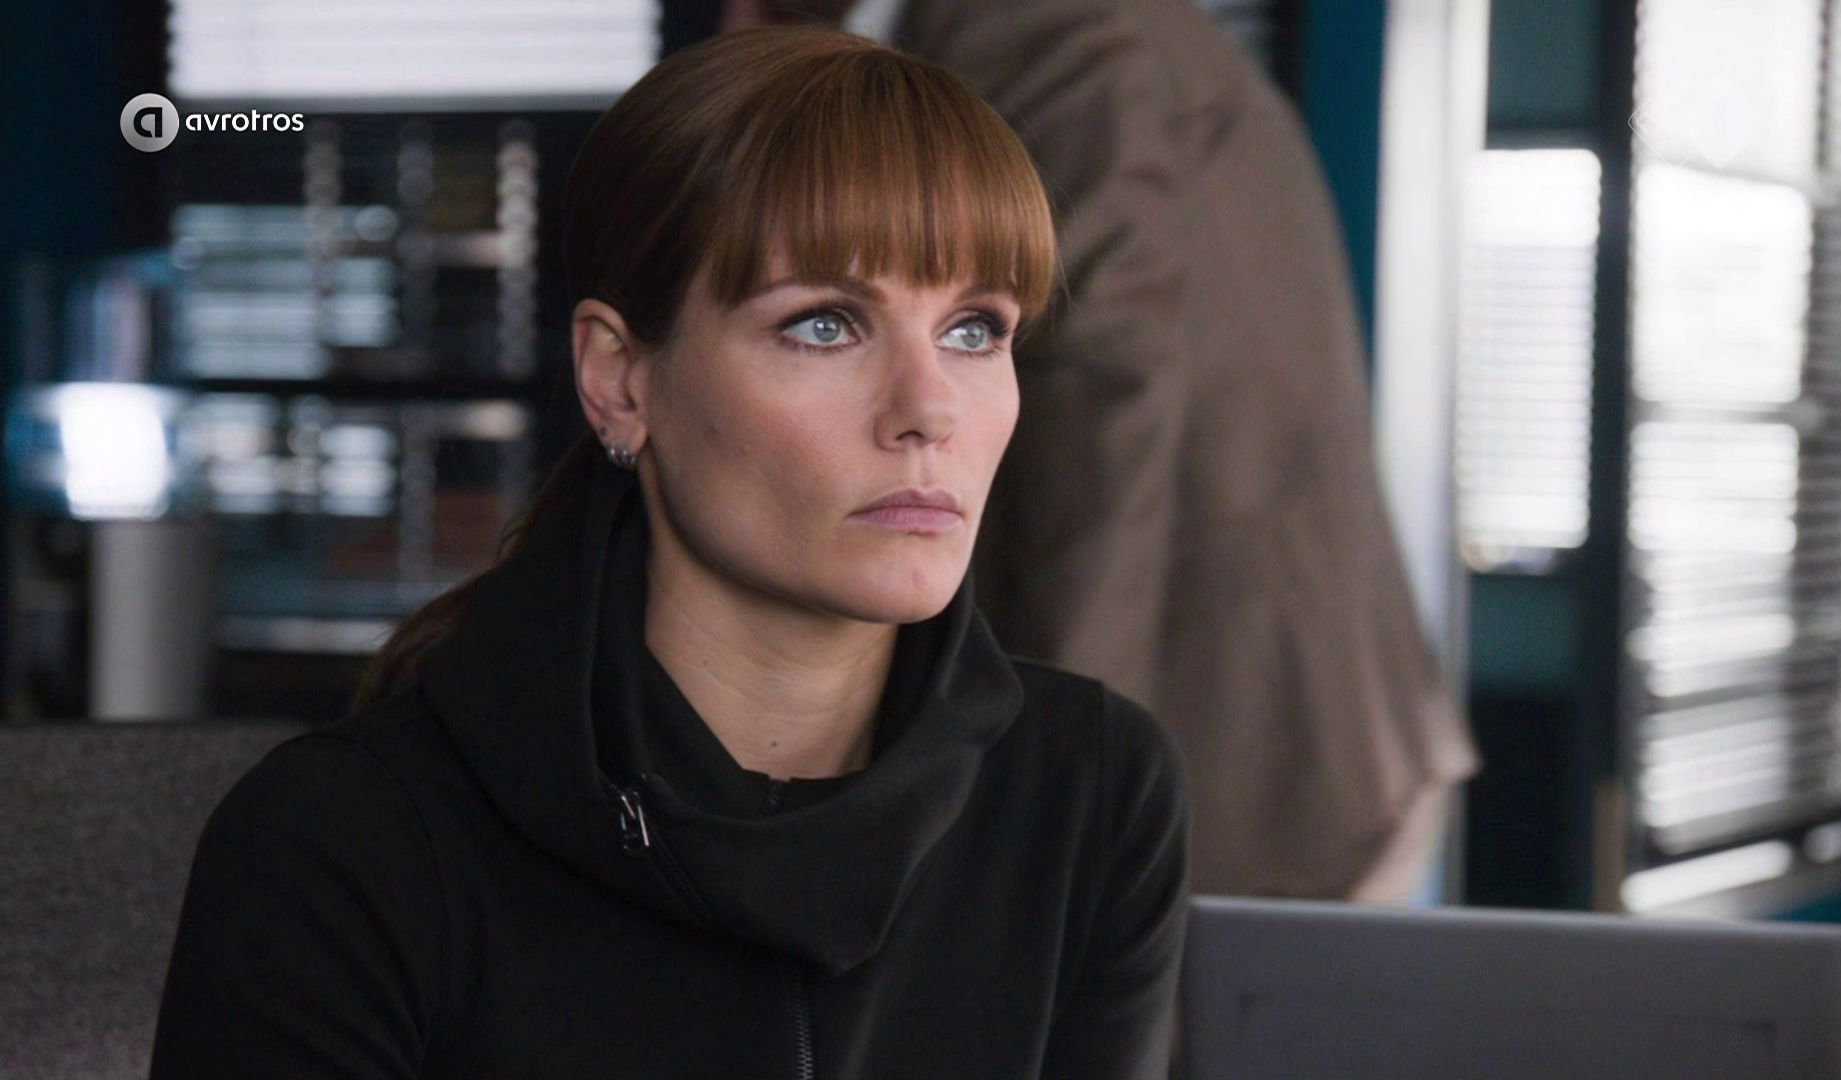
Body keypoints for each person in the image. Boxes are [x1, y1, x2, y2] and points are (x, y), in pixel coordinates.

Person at [148, 27, 1192, 1079]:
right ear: (618, 379)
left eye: (974, 330)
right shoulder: (346, 843)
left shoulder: (1090, 793)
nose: (930, 409)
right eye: (825, 325)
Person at [751, 0, 1480, 902]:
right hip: (1291, 725)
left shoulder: (1039, 25)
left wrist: (1064, 779)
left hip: (1239, 747)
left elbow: (1104, 392)